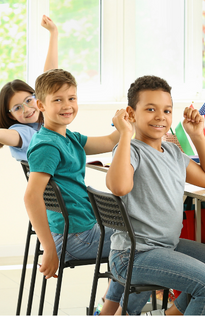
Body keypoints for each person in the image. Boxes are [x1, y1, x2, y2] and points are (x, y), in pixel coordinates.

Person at [106, 75, 205, 315]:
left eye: (167, 110)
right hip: (134, 255)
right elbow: (119, 187)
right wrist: (125, 134)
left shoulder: (171, 151)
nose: (160, 116)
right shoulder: (131, 150)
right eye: (150, 109)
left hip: (167, 246)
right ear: (131, 113)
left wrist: (197, 135)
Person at [23, 69, 126, 314]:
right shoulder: (47, 145)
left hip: (81, 228)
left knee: (137, 233)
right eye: (57, 100)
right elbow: (31, 197)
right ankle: (113, 310)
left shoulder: (66, 136)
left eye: (72, 98)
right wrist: (49, 249)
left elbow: (110, 141)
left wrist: (125, 123)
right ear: (41, 105)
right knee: (140, 242)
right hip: (75, 235)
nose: (67, 105)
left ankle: (108, 307)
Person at [0, 15, 58, 161]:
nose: (26, 109)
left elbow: (49, 76)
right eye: (17, 108)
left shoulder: (46, 122)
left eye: (28, 100)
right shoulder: (23, 132)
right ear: (11, 115)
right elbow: (11, 136)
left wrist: (53, 33)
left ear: (37, 98)